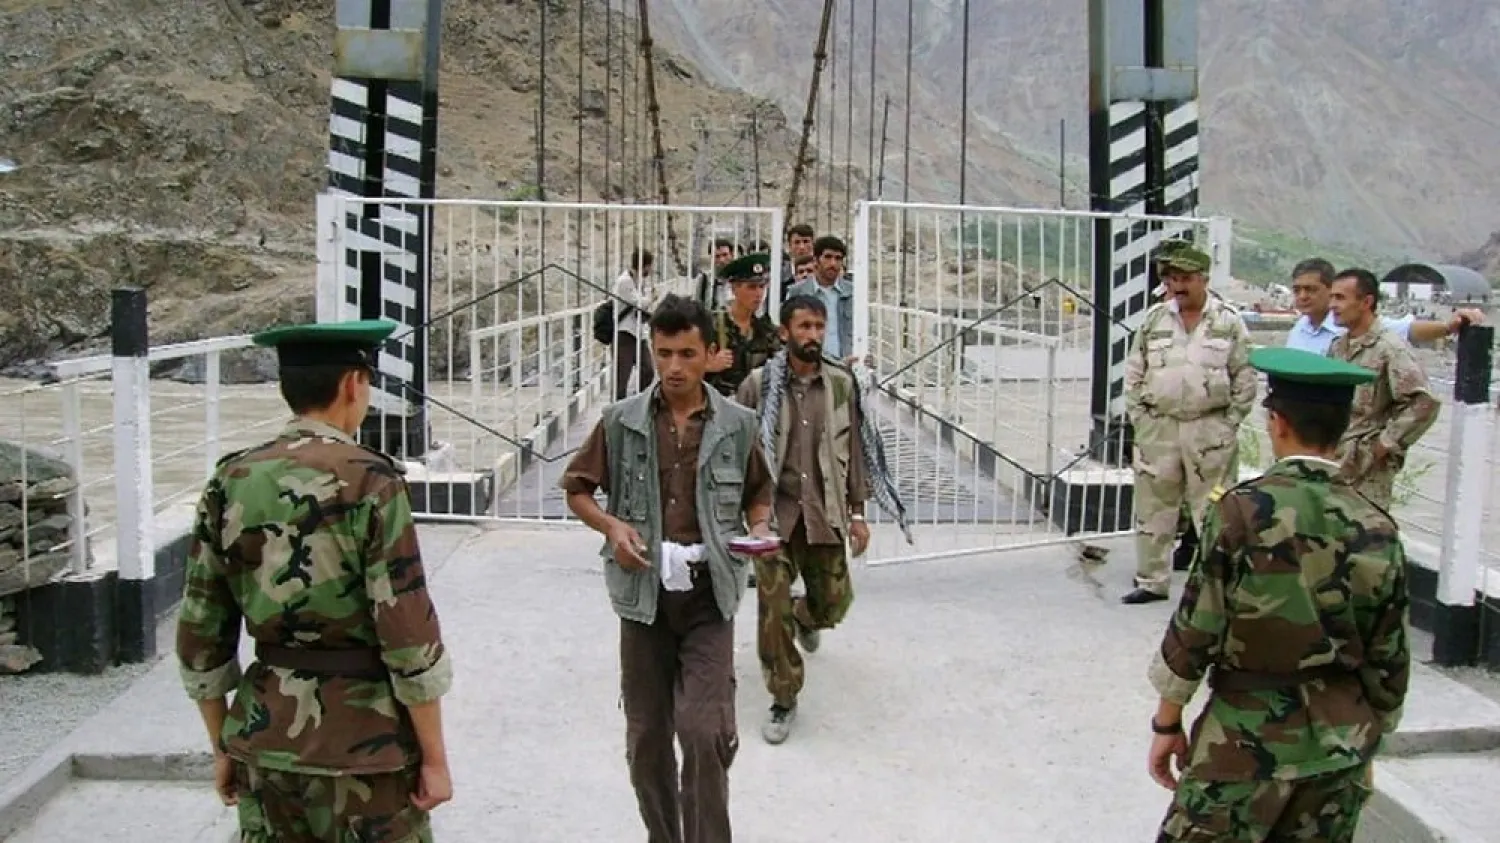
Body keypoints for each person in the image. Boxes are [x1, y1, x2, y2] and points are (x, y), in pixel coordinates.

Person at [175, 319, 454, 842]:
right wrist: (435, 759)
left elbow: (199, 636)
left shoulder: (232, 479)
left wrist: (224, 746)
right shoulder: (371, 480)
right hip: (366, 750)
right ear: (353, 384)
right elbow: (409, 635)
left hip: (265, 741)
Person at [1146, 346, 1411, 842]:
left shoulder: (1241, 512)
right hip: (1338, 752)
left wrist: (1167, 724)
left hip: (1241, 749)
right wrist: (1364, 743)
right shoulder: (1377, 526)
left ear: (1277, 422)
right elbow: (1389, 658)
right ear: (1343, 428)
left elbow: (1195, 630)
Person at [560, 294, 776, 843]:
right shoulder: (621, 422)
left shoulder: (738, 425)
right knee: (647, 740)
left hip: (709, 596)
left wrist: (756, 529)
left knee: (704, 734)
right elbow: (578, 490)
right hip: (643, 598)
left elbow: (759, 492)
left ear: (710, 353)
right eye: (663, 354)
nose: (674, 367)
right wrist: (612, 527)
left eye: (686, 353)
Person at [735, 295, 891, 745]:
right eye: (804, 326)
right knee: (773, 608)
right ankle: (784, 697)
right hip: (773, 519)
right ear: (785, 333)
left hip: (823, 514)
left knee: (834, 604)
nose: (813, 335)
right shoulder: (759, 385)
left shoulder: (841, 386)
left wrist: (859, 515)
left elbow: (855, 454)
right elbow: (736, 450)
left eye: (819, 326)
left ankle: (808, 617)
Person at [1122, 242, 1258, 605]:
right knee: (1153, 508)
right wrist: (1141, 420)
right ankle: (1152, 581)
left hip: (1209, 431)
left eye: (1185, 279)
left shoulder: (1227, 321)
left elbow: (1245, 376)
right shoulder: (1154, 320)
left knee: (1215, 511)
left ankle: (1216, 590)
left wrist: (1229, 423)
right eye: (1171, 279)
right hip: (1159, 429)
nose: (1178, 287)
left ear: (1203, 279)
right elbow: (1134, 372)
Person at [1325, 268, 1441, 509]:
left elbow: (1424, 403)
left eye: (1341, 298)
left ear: (1366, 302)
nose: (1333, 305)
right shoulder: (1338, 347)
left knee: (1366, 538)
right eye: (1332, 297)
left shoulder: (1389, 348)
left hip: (1367, 471)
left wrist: (1385, 443)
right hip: (1335, 461)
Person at [1285, 257, 1483, 354]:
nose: (1303, 296)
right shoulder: (1300, 328)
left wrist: (1449, 327)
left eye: (1311, 289)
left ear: (1330, 289)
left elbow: (1409, 330)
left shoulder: (1355, 325)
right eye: (1297, 290)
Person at [705, 253, 782, 398]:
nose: (759, 294)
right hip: (720, 406)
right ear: (734, 289)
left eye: (762, 287)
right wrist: (708, 366)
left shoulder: (767, 331)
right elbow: (685, 365)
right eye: (751, 287)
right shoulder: (711, 325)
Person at [782, 235, 855, 362]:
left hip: (846, 365)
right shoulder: (797, 292)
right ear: (816, 260)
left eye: (838, 258)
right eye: (828, 257)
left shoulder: (853, 293)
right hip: (809, 365)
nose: (833, 263)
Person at [614, 248, 658, 400]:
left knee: (648, 370)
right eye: (650, 266)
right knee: (622, 377)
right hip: (624, 333)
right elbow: (638, 303)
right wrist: (651, 298)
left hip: (639, 332)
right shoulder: (625, 281)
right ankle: (617, 410)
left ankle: (635, 400)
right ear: (644, 265)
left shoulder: (639, 281)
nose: (651, 270)